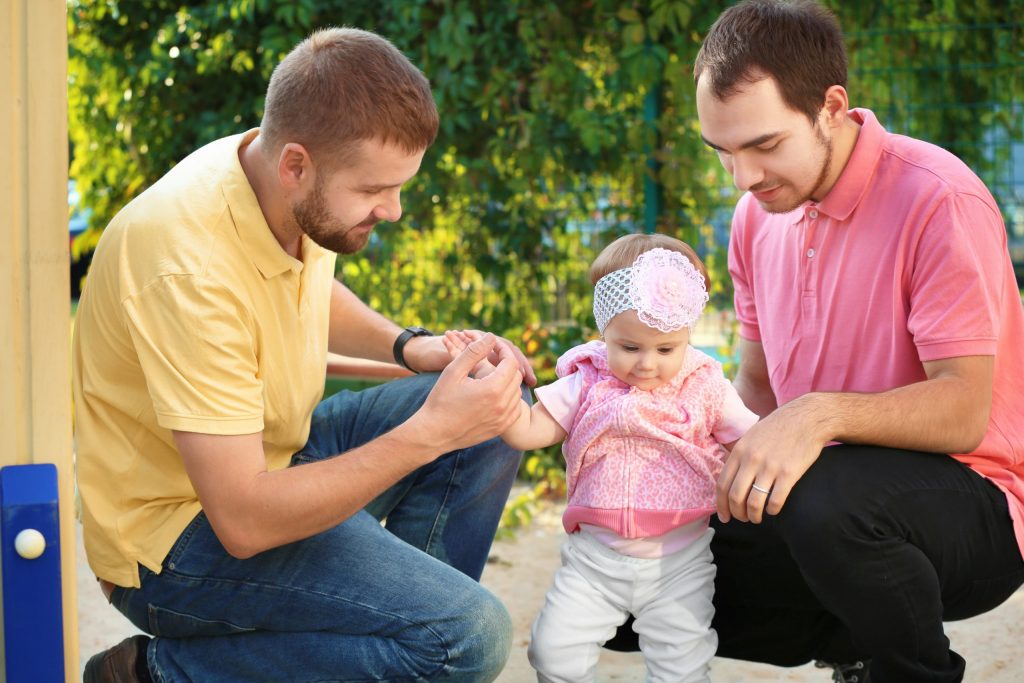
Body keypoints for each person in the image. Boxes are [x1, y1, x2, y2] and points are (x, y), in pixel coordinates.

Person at [73, 27, 537, 683]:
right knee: (469, 638)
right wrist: (428, 432)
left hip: (273, 455)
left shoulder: (274, 178)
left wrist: (412, 347)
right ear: (296, 164)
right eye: (378, 190)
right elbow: (240, 519)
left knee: (494, 408)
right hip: (173, 543)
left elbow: (309, 287)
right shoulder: (188, 263)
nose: (395, 210)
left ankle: (397, 641)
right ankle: (158, 673)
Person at [608, 2, 1024, 682]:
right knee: (617, 567)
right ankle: (849, 636)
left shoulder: (938, 198)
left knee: (825, 500)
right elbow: (758, 392)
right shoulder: (754, 216)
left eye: (764, 145)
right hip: (826, 506)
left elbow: (964, 409)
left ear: (831, 106)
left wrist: (820, 413)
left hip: (979, 509)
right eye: (723, 152)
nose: (742, 178)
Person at [447, 234, 759, 682]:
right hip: (593, 561)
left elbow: (753, 440)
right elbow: (528, 430)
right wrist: (493, 382)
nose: (647, 364)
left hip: (679, 562)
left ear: (687, 334)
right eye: (629, 347)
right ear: (604, 331)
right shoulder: (586, 381)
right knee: (552, 653)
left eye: (666, 349)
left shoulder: (704, 386)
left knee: (682, 667)